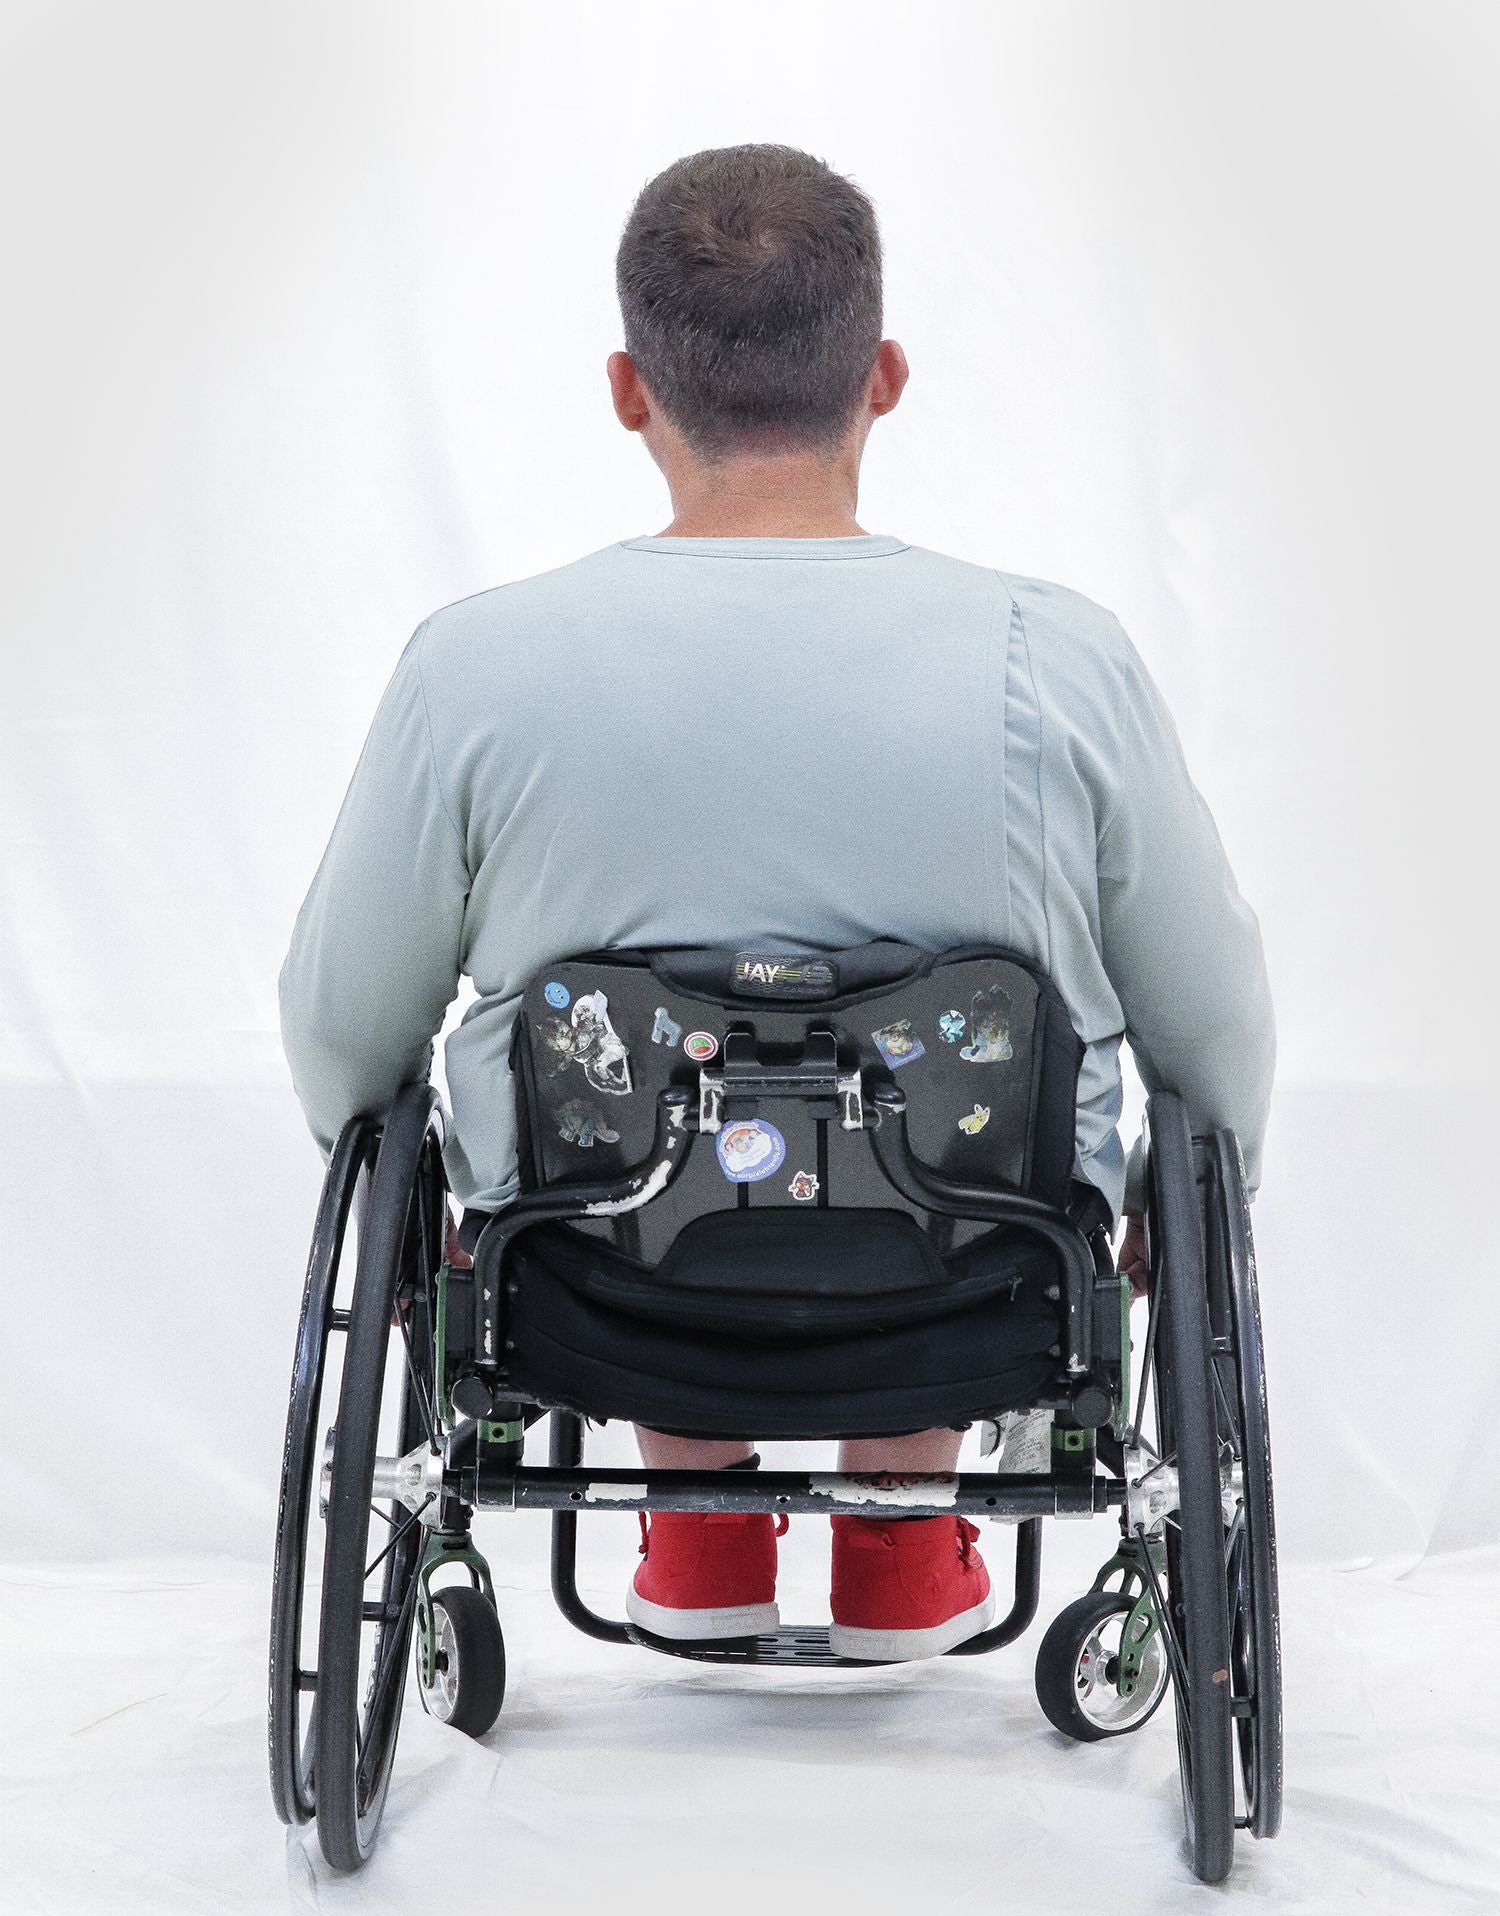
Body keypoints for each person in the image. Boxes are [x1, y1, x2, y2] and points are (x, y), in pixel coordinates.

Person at [279, 143, 1274, 1660]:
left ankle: (700, 1538)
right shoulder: (1056, 657)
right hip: (985, 1280)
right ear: (881, 376)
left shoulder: (475, 668)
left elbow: (345, 1029)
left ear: (629, 389)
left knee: (632, 1129)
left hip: (586, 1285)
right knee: (961, 1104)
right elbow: (1208, 1010)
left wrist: (422, 1217)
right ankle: (902, 1559)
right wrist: (1211, 1188)